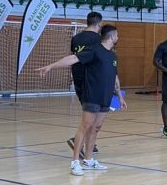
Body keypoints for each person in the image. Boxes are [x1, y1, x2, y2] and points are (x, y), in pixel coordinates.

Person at [38, 24, 124, 175]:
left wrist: (120, 97)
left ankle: (88, 160)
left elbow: (114, 78)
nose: (118, 37)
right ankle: (75, 162)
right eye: (117, 35)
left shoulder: (112, 56)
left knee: (96, 128)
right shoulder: (94, 50)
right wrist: (51, 66)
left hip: (105, 97)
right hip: (92, 95)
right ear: (111, 37)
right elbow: (73, 58)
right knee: (85, 127)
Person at [68, 11, 102, 158]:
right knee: (93, 116)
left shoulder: (76, 38)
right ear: (99, 23)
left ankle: (88, 145)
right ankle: (80, 143)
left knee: (89, 114)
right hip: (92, 81)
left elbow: (75, 58)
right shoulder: (98, 39)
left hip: (78, 79)